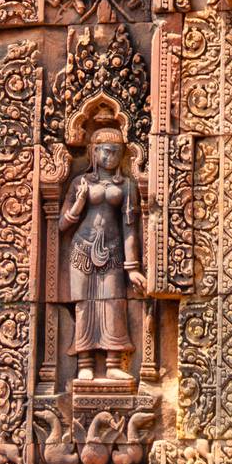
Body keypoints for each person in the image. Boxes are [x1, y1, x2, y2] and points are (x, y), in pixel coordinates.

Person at [58, 126, 145, 382]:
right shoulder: (80, 183)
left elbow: (130, 227)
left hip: (114, 251)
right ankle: (84, 362)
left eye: (117, 152)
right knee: (85, 303)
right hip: (82, 248)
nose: (112, 156)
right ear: (94, 153)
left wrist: (132, 267)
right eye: (107, 151)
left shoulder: (127, 185)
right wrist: (78, 204)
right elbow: (62, 225)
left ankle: (113, 363)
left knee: (114, 302)